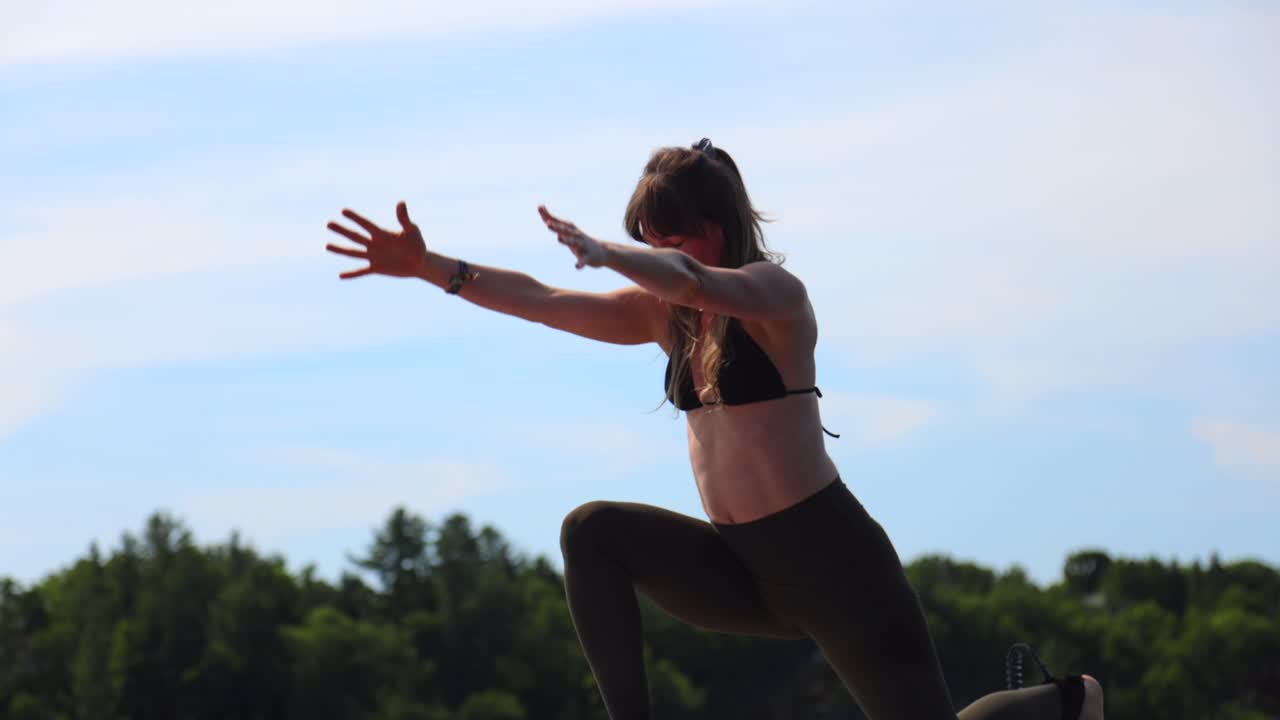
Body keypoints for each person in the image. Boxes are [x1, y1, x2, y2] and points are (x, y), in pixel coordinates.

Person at [325, 139, 1105, 720]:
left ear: (718, 228)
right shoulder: (667, 320)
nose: (658, 251)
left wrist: (610, 252)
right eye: (645, 234)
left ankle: (1072, 704)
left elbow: (692, 278)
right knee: (593, 532)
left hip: (837, 566)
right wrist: (433, 267)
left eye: (672, 234)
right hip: (744, 571)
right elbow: (542, 300)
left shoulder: (774, 298)